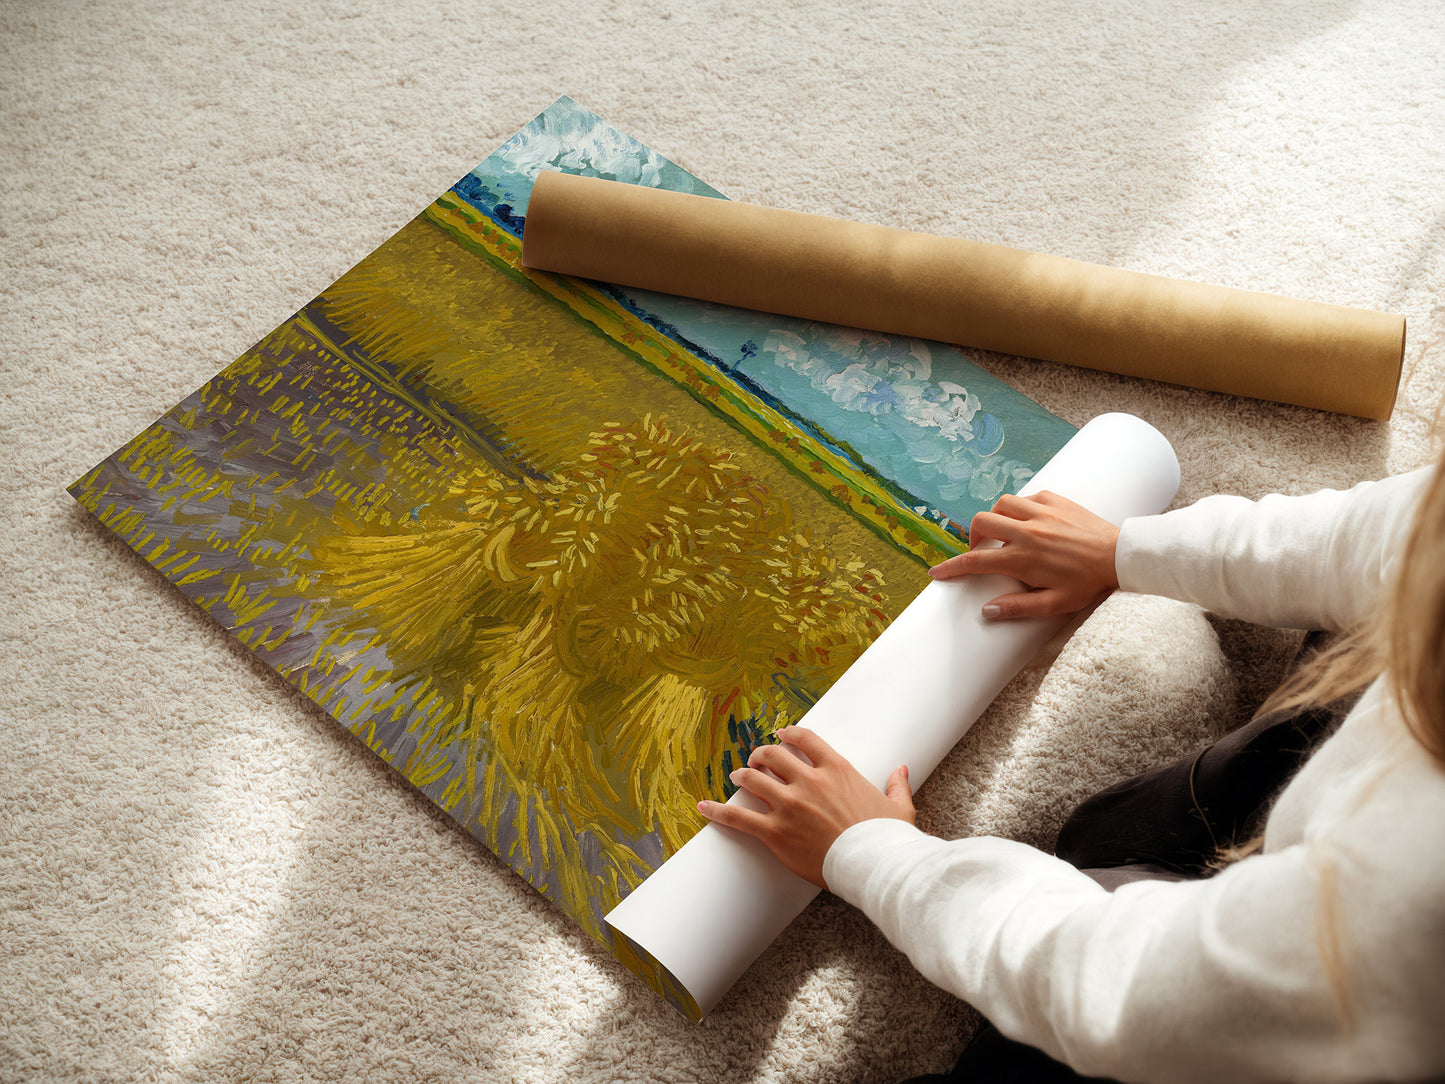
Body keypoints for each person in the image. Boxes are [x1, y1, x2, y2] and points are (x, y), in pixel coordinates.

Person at [697, 463, 1445, 1083]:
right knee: (1111, 832)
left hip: (1343, 1014)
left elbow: (1121, 988)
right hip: (1349, 874)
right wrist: (1124, 550)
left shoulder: (1409, 897)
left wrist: (872, 854)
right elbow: (1388, 534)